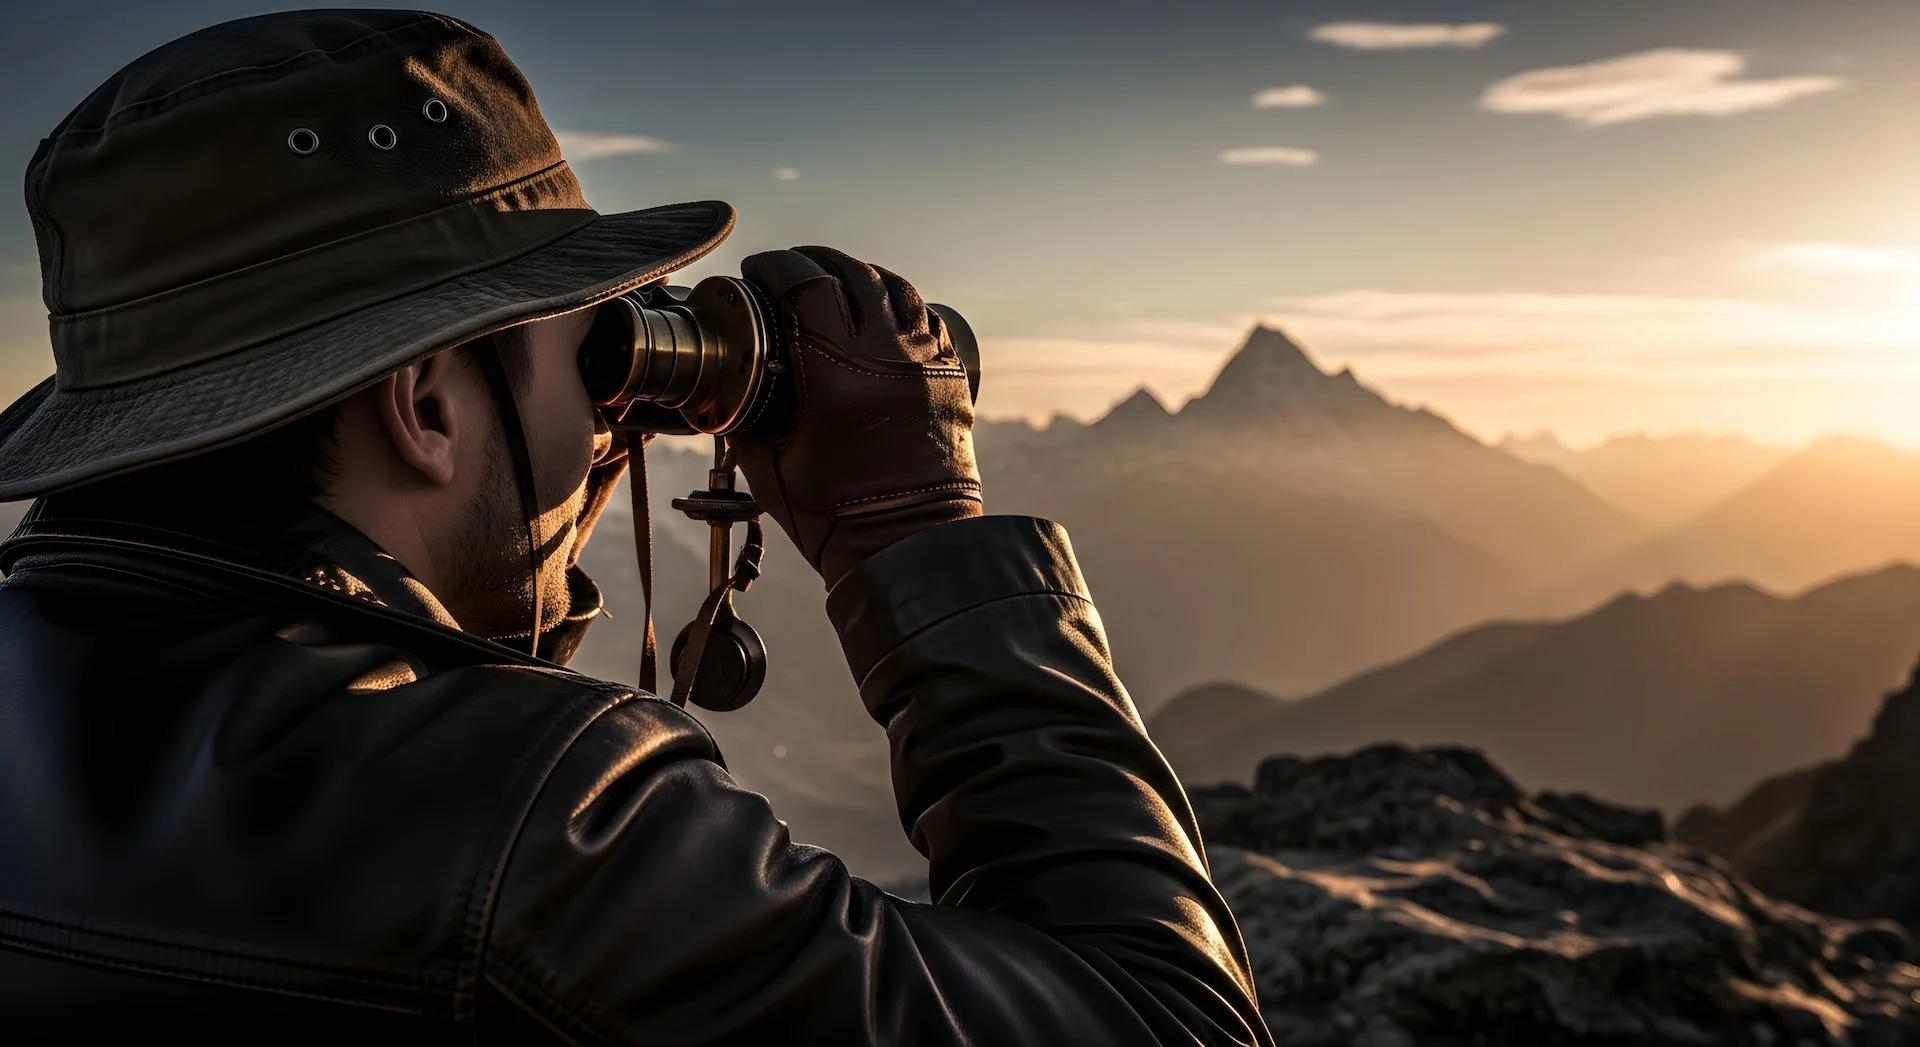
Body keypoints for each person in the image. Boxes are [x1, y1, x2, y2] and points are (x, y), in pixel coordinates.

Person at [0, 10, 1272, 1044]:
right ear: (429, 404)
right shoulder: (537, 829)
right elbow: (1174, 1024)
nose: (623, 420)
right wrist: (919, 526)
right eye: (591, 347)